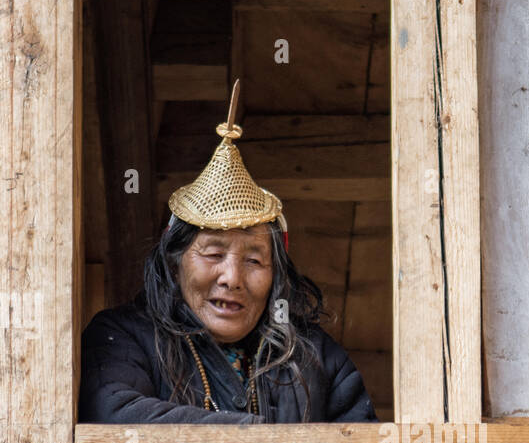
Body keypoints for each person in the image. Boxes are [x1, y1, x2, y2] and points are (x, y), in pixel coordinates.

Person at [79, 81, 378, 424]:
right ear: (175, 261)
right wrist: (263, 439)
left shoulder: (317, 358)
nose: (233, 278)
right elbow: (114, 414)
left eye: (254, 260)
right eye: (213, 254)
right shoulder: (123, 336)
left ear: (275, 275)